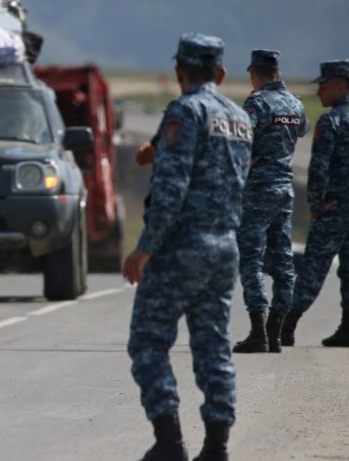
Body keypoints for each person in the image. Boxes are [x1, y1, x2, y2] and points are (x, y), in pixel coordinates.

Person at [123, 33, 252, 461]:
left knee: (147, 341)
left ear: (179, 71)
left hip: (183, 245)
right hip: (224, 247)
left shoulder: (185, 111)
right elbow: (217, 173)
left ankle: (169, 443)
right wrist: (158, 151)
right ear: (220, 73)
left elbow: (173, 190)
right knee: (214, 346)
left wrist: (144, 248)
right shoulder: (238, 117)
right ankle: (217, 447)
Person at [282, 59, 349, 348]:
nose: (319, 91)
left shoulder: (332, 121)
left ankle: (287, 326)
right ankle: (348, 328)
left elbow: (318, 170)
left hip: (336, 204)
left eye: (324, 85)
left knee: (315, 264)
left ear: (341, 86)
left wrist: (317, 206)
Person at [233, 50, 309, 354]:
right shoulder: (295, 103)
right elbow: (301, 129)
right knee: (282, 260)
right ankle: (275, 332)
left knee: (250, 258)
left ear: (254, 73)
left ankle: (257, 332)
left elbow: (241, 139)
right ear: (277, 72)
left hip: (258, 190)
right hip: (284, 189)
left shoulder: (257, 103)